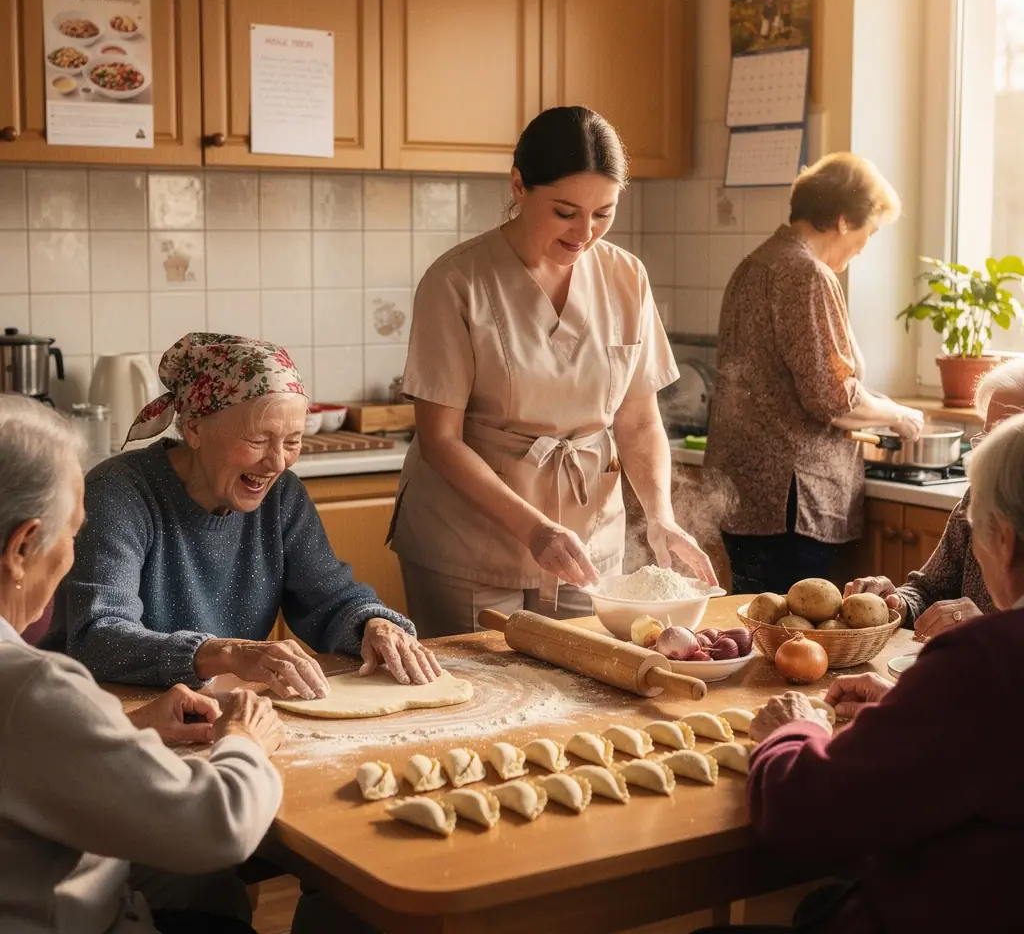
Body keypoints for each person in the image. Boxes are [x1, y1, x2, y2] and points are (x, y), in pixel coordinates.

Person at [389, 106, 715, 637]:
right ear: (519, 185)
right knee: (483, 703)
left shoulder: (626, 277)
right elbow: (439, 440)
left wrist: (661, 515)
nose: (585, 233)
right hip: (469, 542)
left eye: (604, 213)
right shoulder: (456, 281)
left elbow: (637, 421)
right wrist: (534, 528)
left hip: (588, 542)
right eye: (565, 212)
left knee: (583, 694)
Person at [695, 411, 1024, 934]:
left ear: (1004, 541)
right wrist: (909, 706)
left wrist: (790, 733)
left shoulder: (986, 661)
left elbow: (804, 817)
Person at [0, 393, 285, 933]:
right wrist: (245, 740)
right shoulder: (29, 685)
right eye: (73, 533)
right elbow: (218, 829)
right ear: (23, 547)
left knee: (207, 892)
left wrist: (125, 728)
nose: (73, 555)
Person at [45, 333, 440, 695]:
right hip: (109, 709)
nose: (277, 462)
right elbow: (98, 638)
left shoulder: (281, 494)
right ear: (195, 430)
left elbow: (327, 598)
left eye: (292, 441)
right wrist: (225, 653)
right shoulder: (119, 494)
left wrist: (371, 623)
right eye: (258, 439)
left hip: (220, 702)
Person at [705, 153, 925, 594]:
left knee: (758, 630)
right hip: (791, 502)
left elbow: (801, 378)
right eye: (870, 231)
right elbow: (831, 397)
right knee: (795, 642)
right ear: (844, 222)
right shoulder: (806, 274)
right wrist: (897, 415)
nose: (865, 246)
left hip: (743, 494)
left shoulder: (755, 265)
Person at [845, 357, 1024, 637]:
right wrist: (897, 602)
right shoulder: (978, 500)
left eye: (1004, 434)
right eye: (986, 435)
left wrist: (990, 631)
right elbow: (929, 589)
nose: (990, 451)